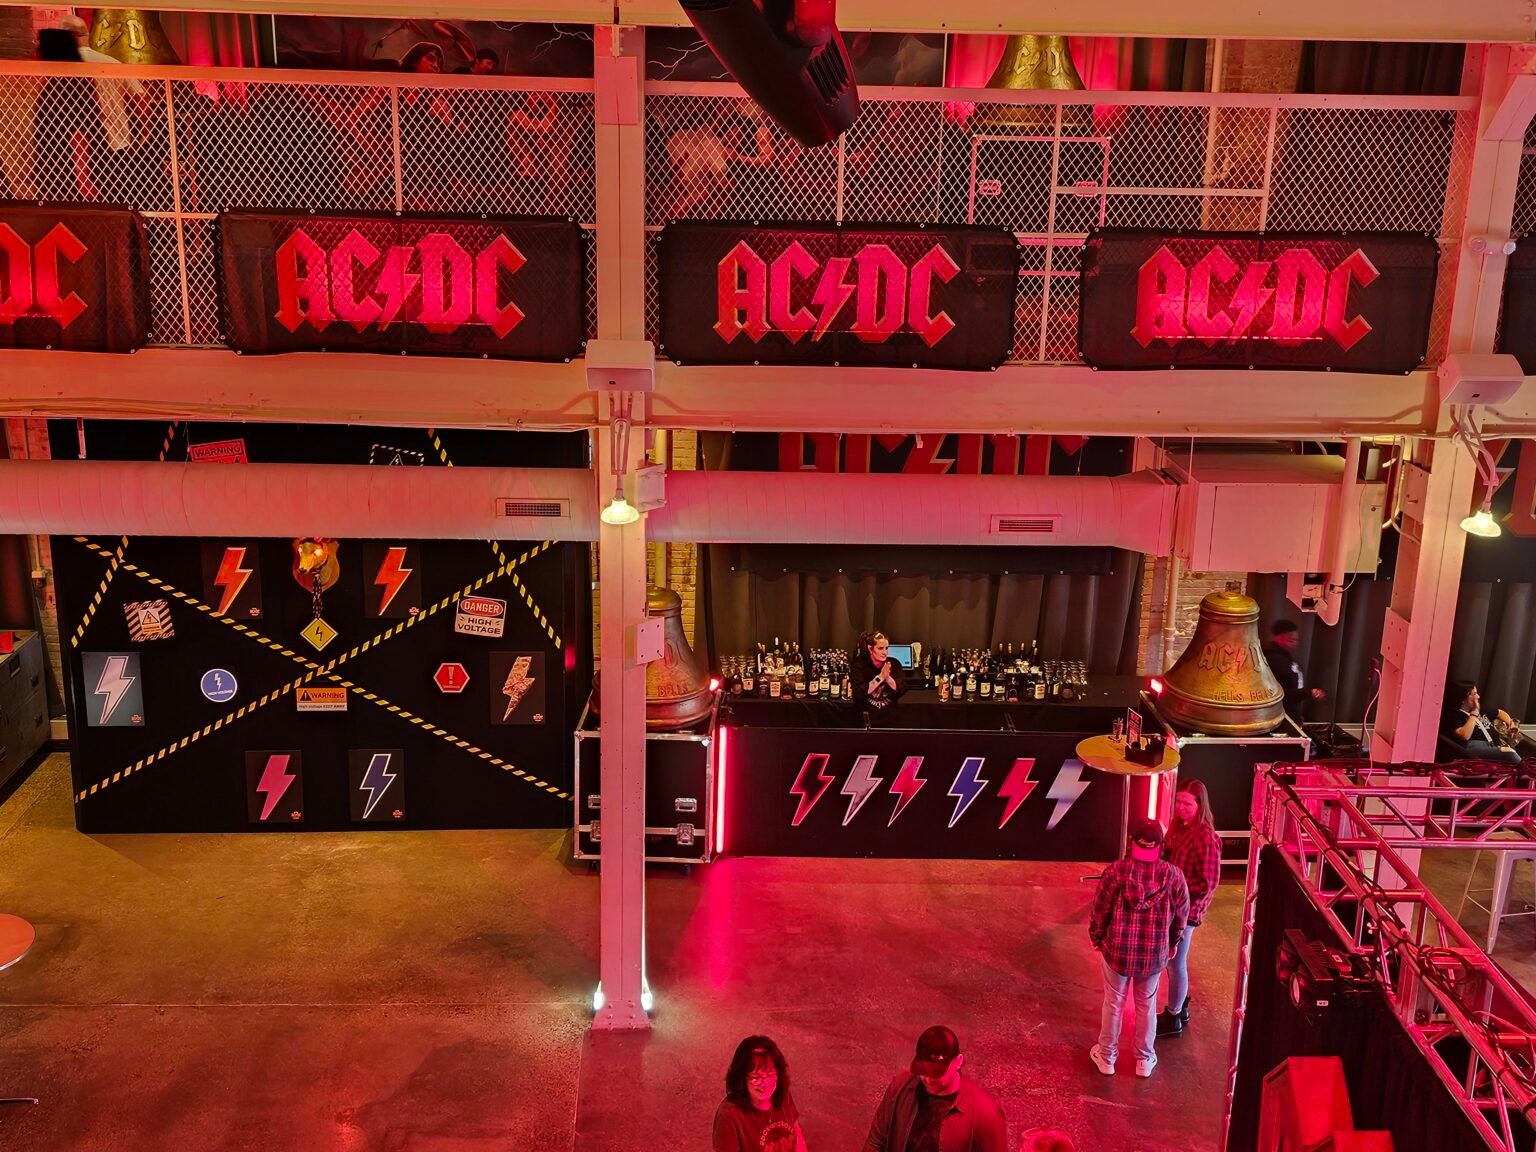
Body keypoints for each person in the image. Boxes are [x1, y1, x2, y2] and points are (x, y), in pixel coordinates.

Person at [1088, 817, 1190, 1079]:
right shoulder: (1174, 876)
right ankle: (1144, 1060)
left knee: (1114, 1003)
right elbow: (1181, 916)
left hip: (1117, 953)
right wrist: (1173, 943)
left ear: (1131, 842)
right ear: (1161, 845)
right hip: (1153, 955)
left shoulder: (1116, 872)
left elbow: (1100, 910)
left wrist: (1096, 937)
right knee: (1146, 1005)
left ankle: (1107, 1058)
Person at [863, 1025, 1007, 1152]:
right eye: (922, 1071)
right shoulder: (900, 1087)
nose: (928, 1079)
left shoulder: (986, 1114)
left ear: (958, 1062)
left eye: (936, 1073)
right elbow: (876, 1142)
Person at [1157, 781, 1221, 1038]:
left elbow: (1208, 883)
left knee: (1175, 963)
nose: (1181, 808)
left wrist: (1176, 890)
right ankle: (1180, 1006)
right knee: (1175, 963)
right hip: (1175, 908)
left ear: (1200, 805)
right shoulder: (1181, 828)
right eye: (1179, 802)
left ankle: (1173, 1017)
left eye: (1187, 803)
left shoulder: (1206, 838)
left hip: (1187, 912)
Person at [713, 1036, 808, 1152]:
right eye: (756, 1077)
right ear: (742, 1078)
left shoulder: (782, 1095)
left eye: (770, 1075)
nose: (764, 1083)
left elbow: (797, 1132)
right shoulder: (729, 1115)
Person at [1441, 681, 1523, 766]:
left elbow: (1500, 713)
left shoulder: (1481, 708)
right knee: (1510, 754)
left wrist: (1510, 724)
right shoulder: (1454, 714)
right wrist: (1474, 714)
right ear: (1462, 699)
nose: (1478, 696)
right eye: (1474, 694)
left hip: (1493, 744)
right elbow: (1464, 736)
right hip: (1471, 746)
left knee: (1520, 749)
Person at [1263, 620, 1325, 722]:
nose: (1296, 644)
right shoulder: (1275, 660)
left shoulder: (1284, 657)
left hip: (1288, 716)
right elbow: (1279, 693)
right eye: (1291, 640)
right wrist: (1309, 693)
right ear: (1280, 638)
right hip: (1281, 718)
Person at [851, 631, 907, 716]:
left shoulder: (894, 663)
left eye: (886, 648)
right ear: (870, 649)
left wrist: (888, 678)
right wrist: (880, 677)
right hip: (866, 716)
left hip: (890, 716)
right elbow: (859, 693)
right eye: (880, 648)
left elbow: (901, 689)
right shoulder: (859, 665)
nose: (885, 652)